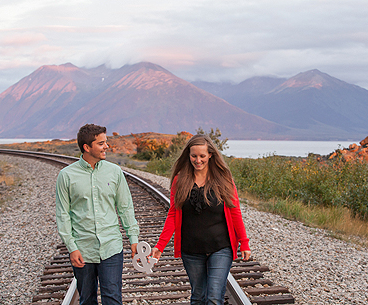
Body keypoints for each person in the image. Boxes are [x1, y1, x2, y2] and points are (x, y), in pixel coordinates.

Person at [150, 134, 251, 305]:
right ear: (188, 156)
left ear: (210, 155)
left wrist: (244, 242)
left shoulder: (223, 178)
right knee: (198, 296)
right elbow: (173, 214)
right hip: (191, 249)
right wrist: (160, 246)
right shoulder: (180, 180)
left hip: (220, 247)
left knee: (213, 297)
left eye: (202, 156)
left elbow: (235, 212)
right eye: (194, 156)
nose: (198, 160)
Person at [55, 124, 139, 305]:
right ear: (87, 147)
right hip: (83, 249)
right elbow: (63, 215)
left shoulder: (115, 172)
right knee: (87, 300)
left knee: (113, 299)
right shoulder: (66, 176)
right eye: (101, 143)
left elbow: (125, 208)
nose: (106, 147)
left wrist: (133, 239)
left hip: (111, 247)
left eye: (106, 142)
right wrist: (72, 247)